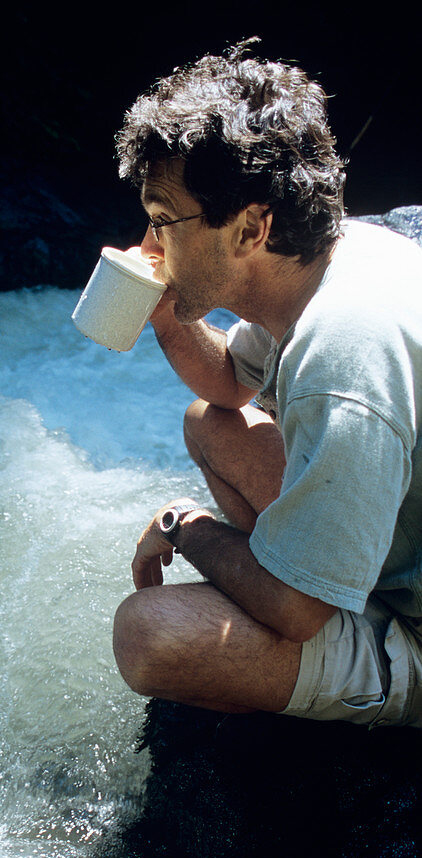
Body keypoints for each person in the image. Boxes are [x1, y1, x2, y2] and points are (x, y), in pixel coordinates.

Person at [111, 40, 422, 727]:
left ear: (251, 228)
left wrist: (184, 527)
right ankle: (317, 577)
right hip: (394, 541)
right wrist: (165, 314)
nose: (152, 246)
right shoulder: (333, 260)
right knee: (208, 423)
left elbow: (297, 612)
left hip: (414, 625)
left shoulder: (344, 352)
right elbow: (228, 388)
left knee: (148, 634)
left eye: (164, 220)